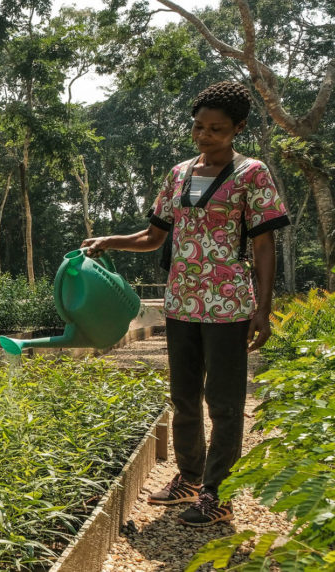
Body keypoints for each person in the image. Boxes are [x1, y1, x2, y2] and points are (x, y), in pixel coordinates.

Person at [82, 81, 289, 527]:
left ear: (238, 128)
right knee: (185, 398)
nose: (205, 136)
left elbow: (265, 246)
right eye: (199, 127)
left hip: (229, 305)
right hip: (181, 303)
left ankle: (218, 493)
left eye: (216, 129)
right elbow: (154, 236)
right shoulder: (178, 175)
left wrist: (262, 310)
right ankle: (190, 479)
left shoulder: (251, 174)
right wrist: (108, 241)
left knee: (225, 402)